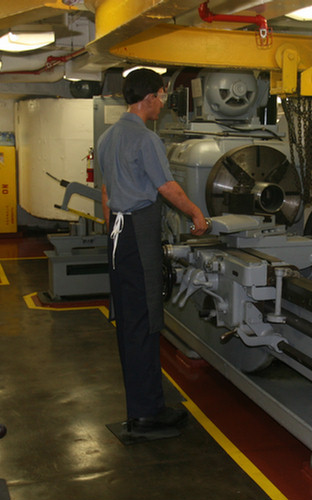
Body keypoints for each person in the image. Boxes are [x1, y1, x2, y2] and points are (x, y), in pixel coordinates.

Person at [97, 68, 208, 436]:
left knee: (130, 322)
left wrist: (113, 230)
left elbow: (106, 196)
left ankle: (144, 405)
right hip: (138, 232)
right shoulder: (146, 140)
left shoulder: (108, 136)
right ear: (148, 98)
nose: (162, 103)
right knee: (145, 319)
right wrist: (196, 214)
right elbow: (166, 187)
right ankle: (146, 414)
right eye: (161, 96)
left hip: (117, 233)